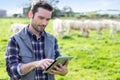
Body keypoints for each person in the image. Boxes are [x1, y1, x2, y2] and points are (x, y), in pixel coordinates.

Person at [5, 1, 69, 80]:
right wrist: (35, 64)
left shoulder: (52, 40)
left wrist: (64, 71)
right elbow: (12, 70)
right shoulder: (15, 40)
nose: (44, 23)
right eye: (41, 18)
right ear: (31, 14)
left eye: (47, 19)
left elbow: (59, 63)